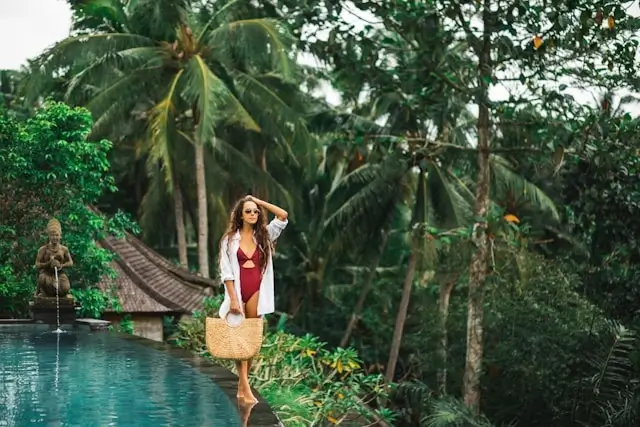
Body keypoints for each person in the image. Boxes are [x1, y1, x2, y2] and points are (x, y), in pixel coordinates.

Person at [218, 195, 288, 403]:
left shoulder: (264, 236)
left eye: (255, 211)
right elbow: (226, 272)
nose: (252, 214)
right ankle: (245, 387)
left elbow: (283, 216)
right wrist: (233, 299)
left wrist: (256, 200)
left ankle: (242, 386)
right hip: (239, 291)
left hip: (257, 289)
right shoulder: (229, 240)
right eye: (248, 211)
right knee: (240, 337)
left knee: (251, 339)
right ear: (240, 214)